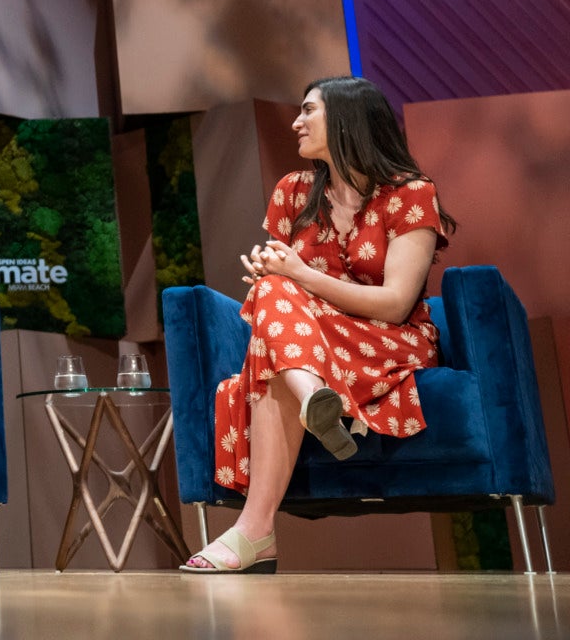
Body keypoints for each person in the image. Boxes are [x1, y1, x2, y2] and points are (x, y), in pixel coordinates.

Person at [182, 76, 455, 573]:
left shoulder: (411, 194)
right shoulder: (293, 191)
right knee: (269, 293)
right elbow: (278, 287)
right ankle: (313, 400)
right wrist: (272, 271)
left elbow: (395, 303)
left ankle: (257, 532)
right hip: (311, 343)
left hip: (388, 341)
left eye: (309, 110)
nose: (296, 121)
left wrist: (298, 275)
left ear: (348, 117)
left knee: (275, 339)